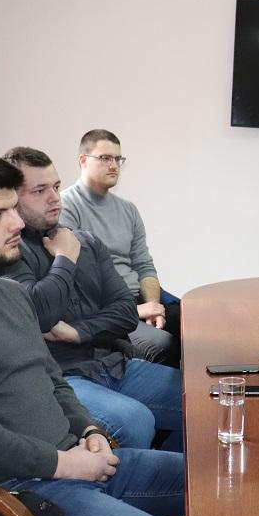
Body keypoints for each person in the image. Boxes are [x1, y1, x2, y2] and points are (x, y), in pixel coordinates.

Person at [0, 149, 184, 516]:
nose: (17, 223)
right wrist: (63, 464)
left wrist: (89, 429)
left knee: (228, 478)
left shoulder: (10, 294)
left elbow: (52, 379)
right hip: (21, 491)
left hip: (76, 460)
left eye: (13, 209)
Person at [1, 147, 183, 451]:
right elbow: (41, 314)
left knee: (205, 400)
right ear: (11, 198)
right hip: (63, 378)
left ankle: (173, 474)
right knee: (135, 421)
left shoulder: (86, 241)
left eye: (56, 186)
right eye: (39, 190)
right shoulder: (8, 252)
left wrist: (76, 332)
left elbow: (126, 313)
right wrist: (65, 258)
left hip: (114, 364)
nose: (54, 198)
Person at [60, 129, 178, 365]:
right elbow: (81, 281)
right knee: (164, 344)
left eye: (118, 159)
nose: (114, 166)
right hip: (106, 305)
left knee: (198, 324)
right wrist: (135, 311)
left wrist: (152, 306)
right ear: (83, 160)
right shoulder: (66, 206)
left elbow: (144, 265)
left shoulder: (128, 209)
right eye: (105, 158)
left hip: (138, 296)